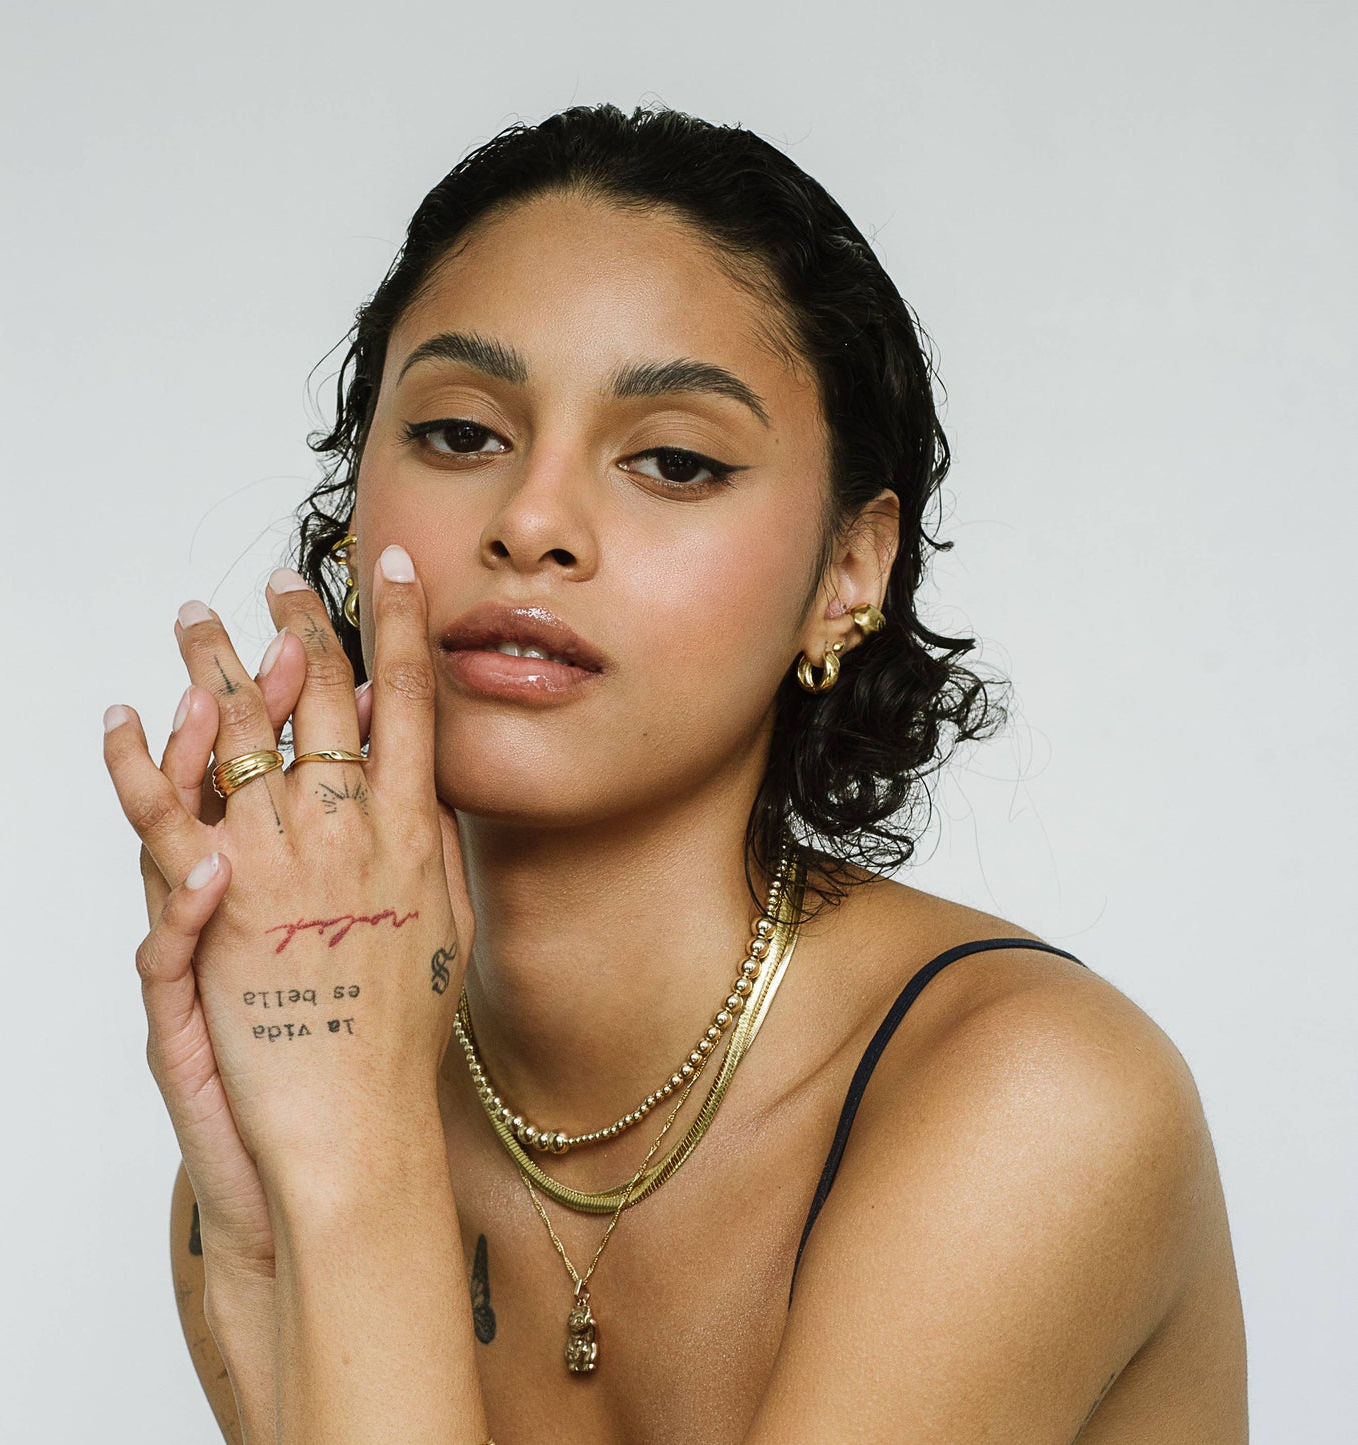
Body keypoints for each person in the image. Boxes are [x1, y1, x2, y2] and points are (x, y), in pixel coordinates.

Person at [101, 103, 1247, 1443]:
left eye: (674, 460)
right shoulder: (315, 1102)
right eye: (462, 433)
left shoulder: (1033, 1100)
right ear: (359, 512)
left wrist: (352, 1170)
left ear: (845, 573)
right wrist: (252, 1254)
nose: (530, 521)